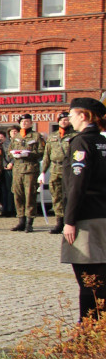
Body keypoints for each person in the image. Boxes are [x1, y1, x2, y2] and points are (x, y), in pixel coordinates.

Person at [60, 97, 106, 321]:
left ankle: (87, 331)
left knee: (88, 281)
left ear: (84, 115)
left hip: (86, 219)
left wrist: (69, 220)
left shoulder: (81, 142)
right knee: (101, 278)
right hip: (103, 215)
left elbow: (77, 184)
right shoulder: (103, 141)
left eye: (72, 114)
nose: (69, 118)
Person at [8, 113, 46, 232]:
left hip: (30, 169)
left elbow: (42, 151)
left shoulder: (36, 136)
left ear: (31, 123)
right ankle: (21, 220)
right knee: (18, 195)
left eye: (27, 121)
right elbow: (9, 151)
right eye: (22, 122)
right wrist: (13, 154)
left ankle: (29, 222)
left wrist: (29, 154)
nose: (24, 123)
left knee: (30, 195)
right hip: (18, 169)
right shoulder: (16, 136)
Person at [42, 111, 76, 235]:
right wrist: (43, 172)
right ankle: (59, 222)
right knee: (56, 196)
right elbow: (47, 154)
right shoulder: (52, 136)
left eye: (66, 119)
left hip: (69, 169)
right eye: (61, 120)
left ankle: (70, 221)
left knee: (69, 196)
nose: (64, 122)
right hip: (55, 169)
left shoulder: (75, 135)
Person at [0, 130, 15, 218]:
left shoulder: (9, 145)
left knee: (8, 190)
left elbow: (13, 155)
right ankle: (1, 209)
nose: (0, 139)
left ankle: (9, 209)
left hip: (8, 170)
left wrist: (10, 163)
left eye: (1, 138)